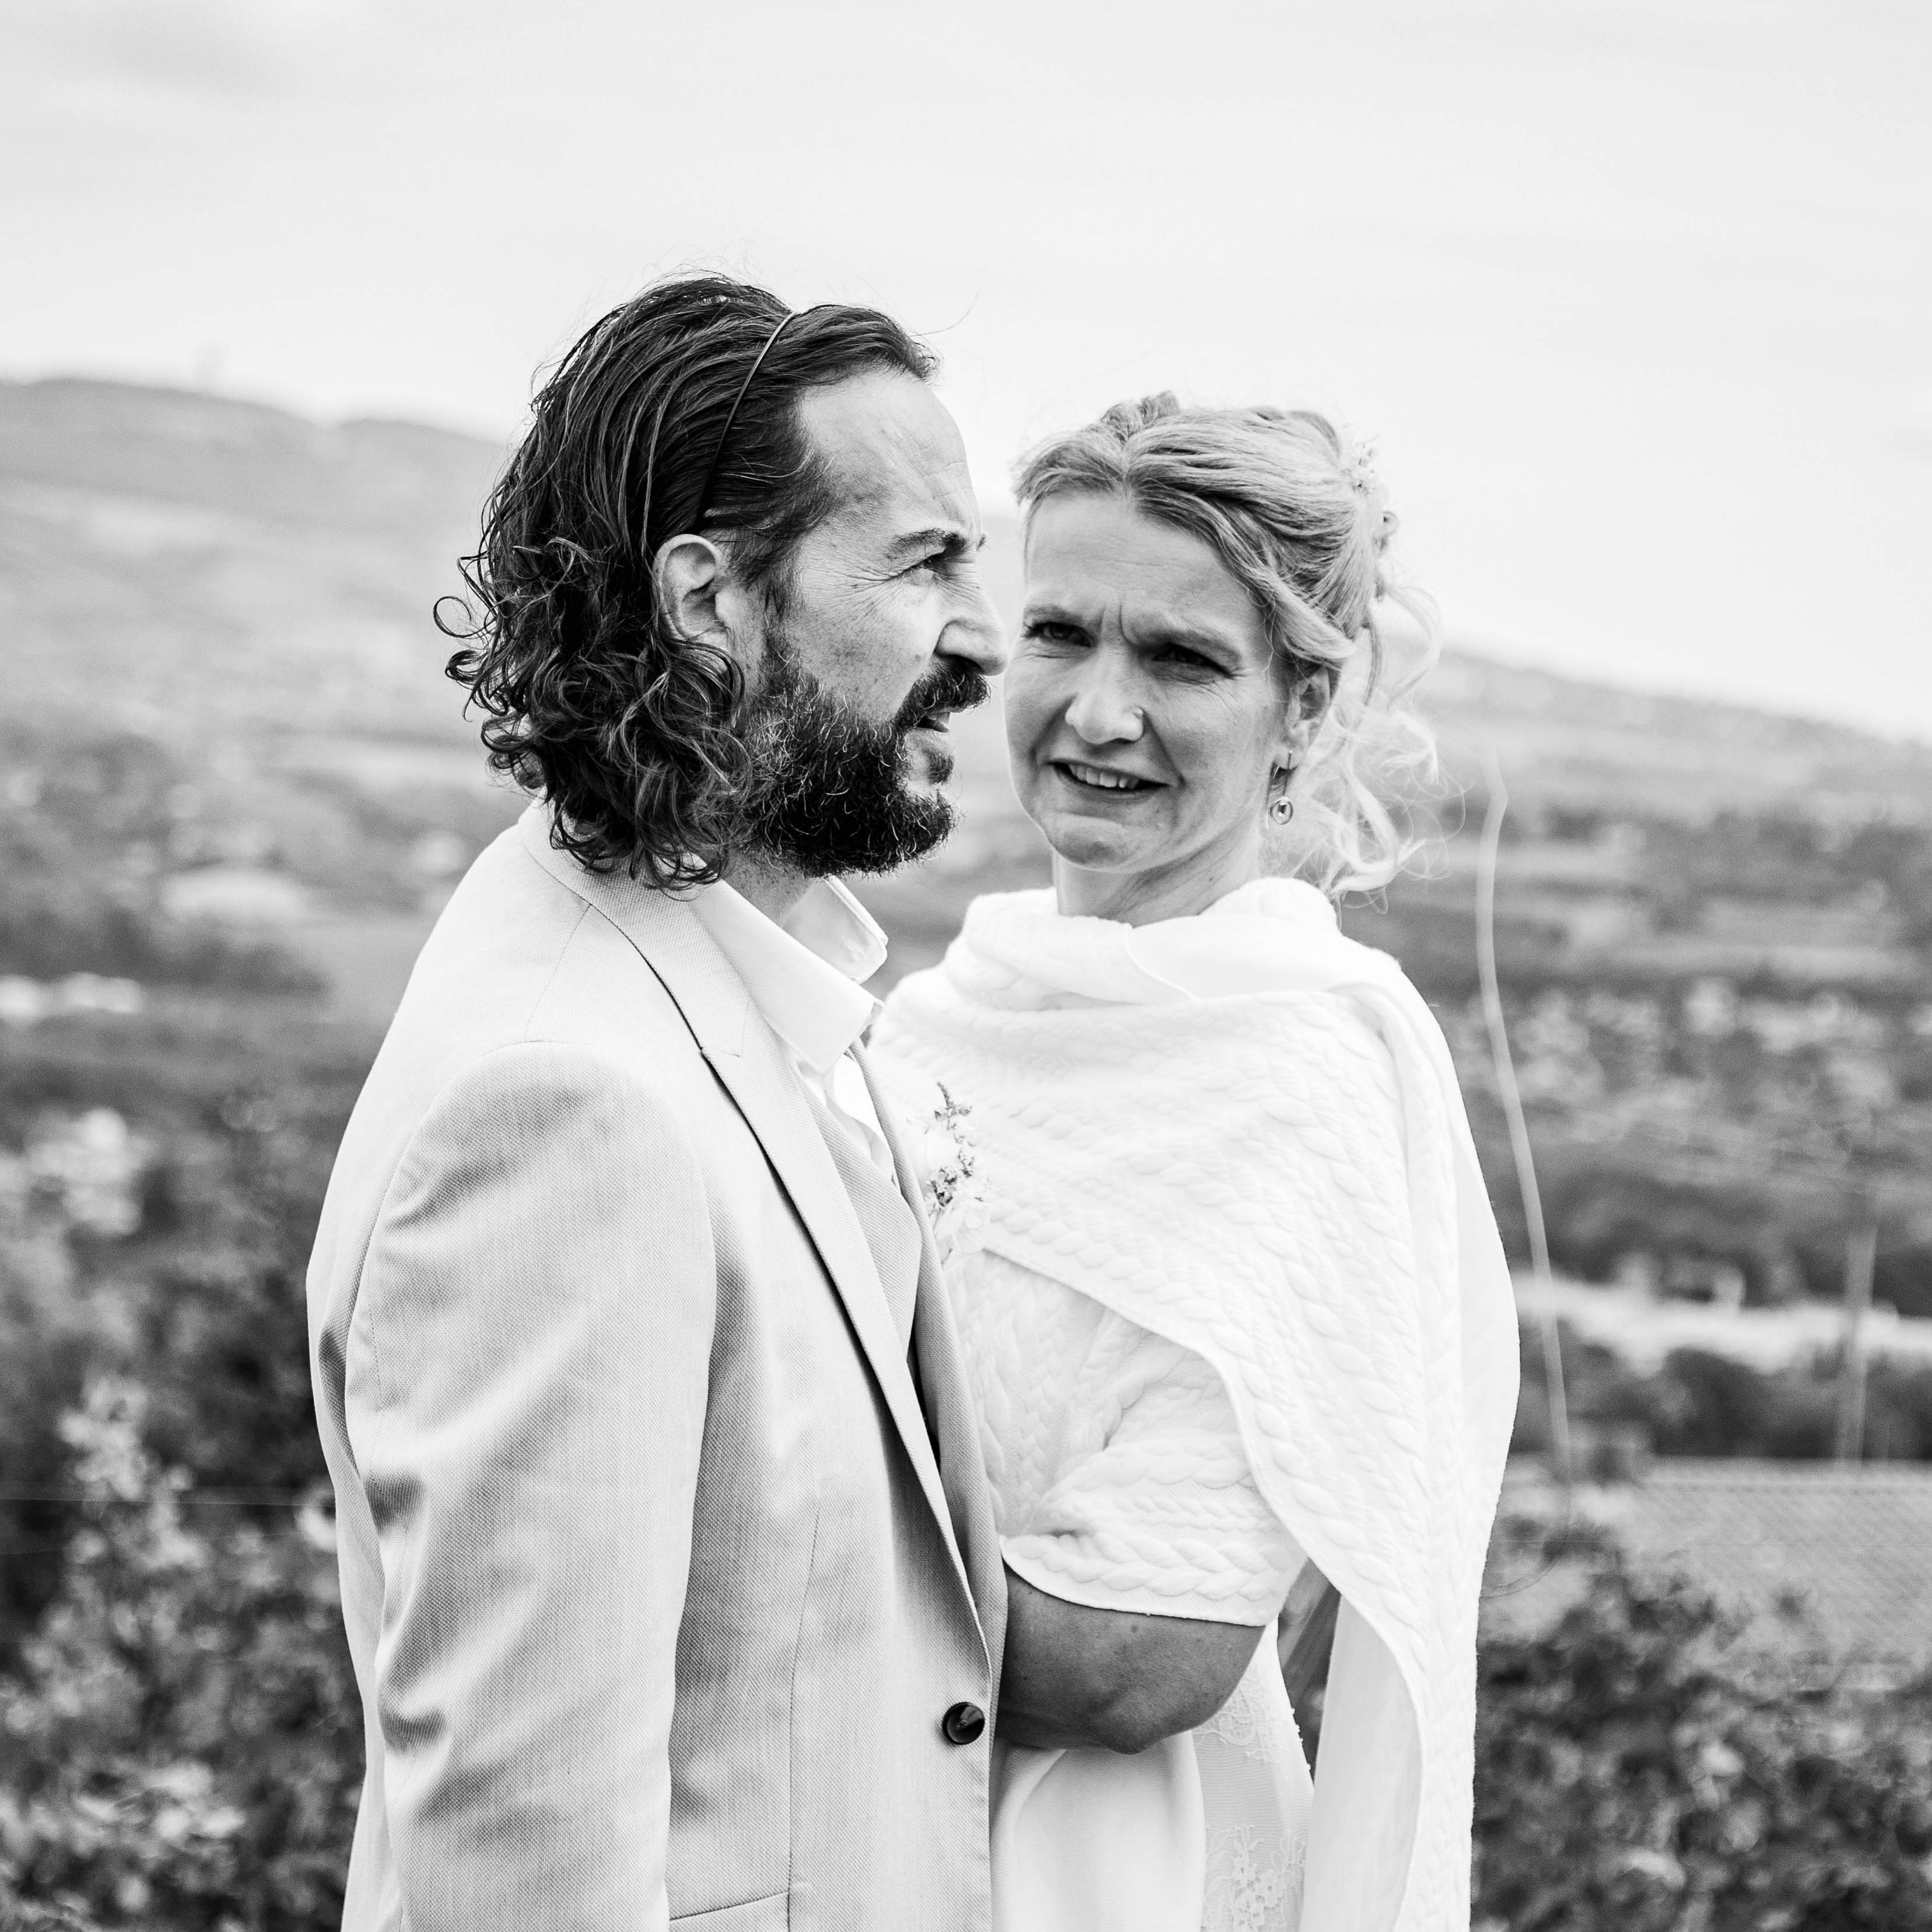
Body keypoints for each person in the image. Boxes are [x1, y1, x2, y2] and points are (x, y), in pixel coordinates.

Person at [306, 275, 1015, 1931]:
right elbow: (521, 1864)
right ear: (711, 596)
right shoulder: (566, 1104)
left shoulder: (724, 990)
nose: (984, 638)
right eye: (925, 563)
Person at [872, 396, 1519, 1932]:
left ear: (1300, 711)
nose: (1098, 713)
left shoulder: (1295, 1078)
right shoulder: (928, 1021)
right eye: (1058, 634)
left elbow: (1132, 1661)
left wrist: (724, 1563)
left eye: (1177, 658)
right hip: (858, 1822)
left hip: (1099, 1867)